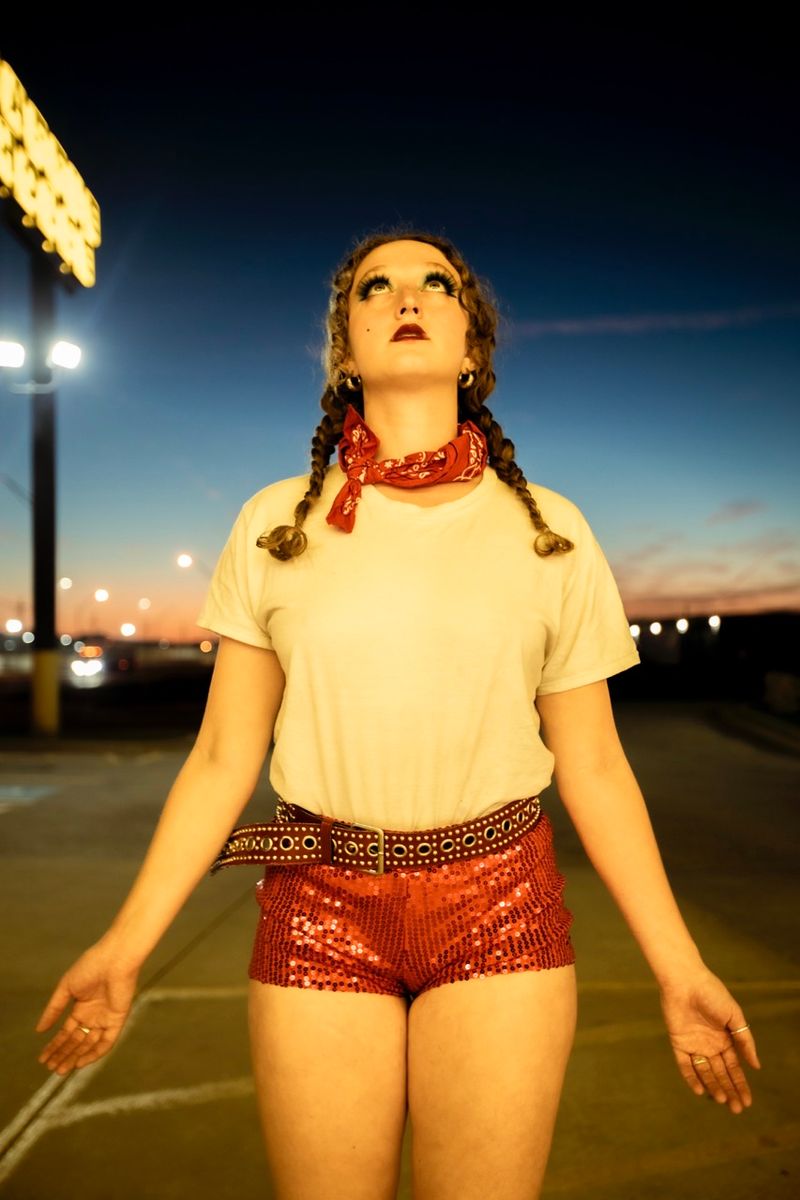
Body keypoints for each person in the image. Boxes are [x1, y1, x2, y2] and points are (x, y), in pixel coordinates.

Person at [34, 227, 761, 1200]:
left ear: (471, 348)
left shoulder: (548, 531)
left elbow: (591, 765)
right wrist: (124, 948)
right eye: (374, 288)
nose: (404, 297)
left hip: (498, 901)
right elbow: (220, 759)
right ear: (344, 350)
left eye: (435, 285)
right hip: (317, 903)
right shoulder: (272, 525)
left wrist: (678, 970)